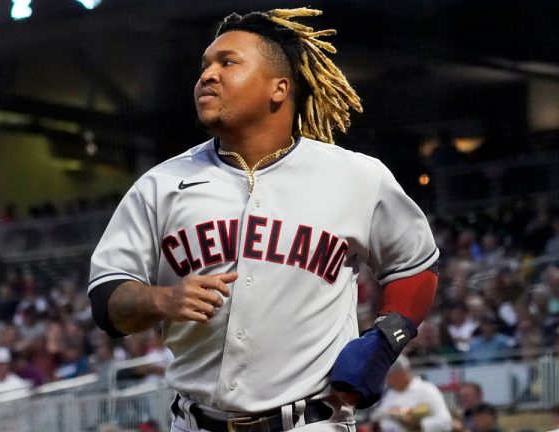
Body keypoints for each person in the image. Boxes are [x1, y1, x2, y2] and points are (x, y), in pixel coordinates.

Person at [88, 7, 439, 432]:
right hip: (194, 423)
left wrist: (384, 341)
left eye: (227, 63)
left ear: (279, 88)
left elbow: (414, 266)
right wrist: (160, 300)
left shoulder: (356, 176)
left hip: (312, 423)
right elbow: (107, 298)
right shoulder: (160, 184)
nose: (207, 75)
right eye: (205, 67)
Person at [370, 355, 452, 432]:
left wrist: (418, 424)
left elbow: (446, 422)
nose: (387, 380)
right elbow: (377, 418)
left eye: (389, 375)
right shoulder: (389, 395)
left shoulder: (427, 390)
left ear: (401, 373)